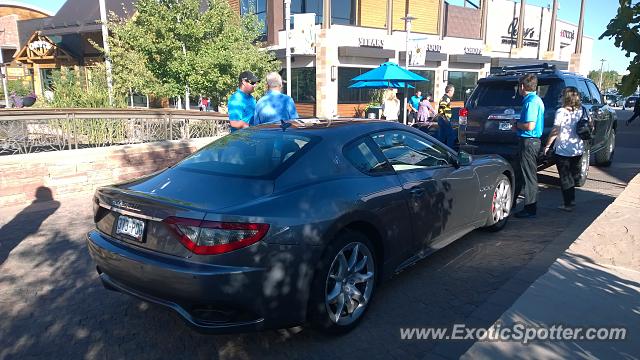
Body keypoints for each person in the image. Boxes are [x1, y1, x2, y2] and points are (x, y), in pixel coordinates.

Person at [543, 87, 585, 212]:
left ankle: (568, 204)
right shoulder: (581, 110)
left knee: (565, 177)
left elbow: (555, 131)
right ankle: (571, 200)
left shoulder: (561, 111)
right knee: (572, 175)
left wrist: (547, 146)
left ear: (565, 97)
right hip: (578, 148)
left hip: (563, 149)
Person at [514, 74, 545, 218]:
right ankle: (513, 202)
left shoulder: (531, 102)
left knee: (529, 176)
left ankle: (530, 208)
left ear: (522, 86)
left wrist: (516, 125)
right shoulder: (535, 99)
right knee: (520, 172)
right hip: (530, 142)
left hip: (529, 141)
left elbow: (530, 125)